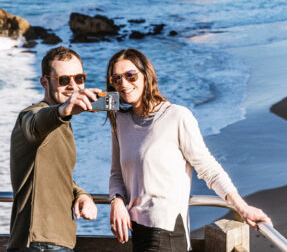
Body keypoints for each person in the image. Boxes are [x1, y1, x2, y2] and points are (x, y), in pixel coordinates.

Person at [106, 48, 271, 251]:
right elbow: (116, 173)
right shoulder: (120, 122)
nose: (124, 83)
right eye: (116, 79)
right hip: (137, 231)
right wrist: (116, 201)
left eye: (130, 75)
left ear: (146, 75)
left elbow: (208, 168)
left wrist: (242, 207)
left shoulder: (177, 117)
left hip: (166, 231)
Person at [8, 46, 101, 252]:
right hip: (40, 243)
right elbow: (35, 124)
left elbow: (55, 174)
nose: (73, 86)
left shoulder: (62, 123)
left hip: (55, 241)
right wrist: (64, 109)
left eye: (79, 78)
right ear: (44, 82)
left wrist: (81, 194)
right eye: (64, 80)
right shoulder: (31, 116)